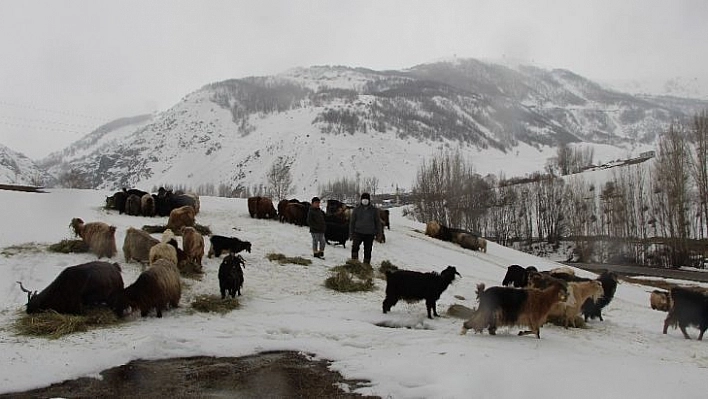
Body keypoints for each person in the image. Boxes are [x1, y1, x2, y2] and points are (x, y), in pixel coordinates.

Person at [349, 192, 381, 264]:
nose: (365, 201)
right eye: (363, 199)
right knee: (355, 247)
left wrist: (379, 234)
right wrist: (351, 234)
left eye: (366, 199)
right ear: (361, 200)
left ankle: (366, 264)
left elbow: (378, 222)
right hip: (358, 232)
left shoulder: (374, 210)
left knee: (368, 250)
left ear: (369, 200)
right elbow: (352, 222)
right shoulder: (356, 210)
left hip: (370, 234)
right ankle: (354, 262)